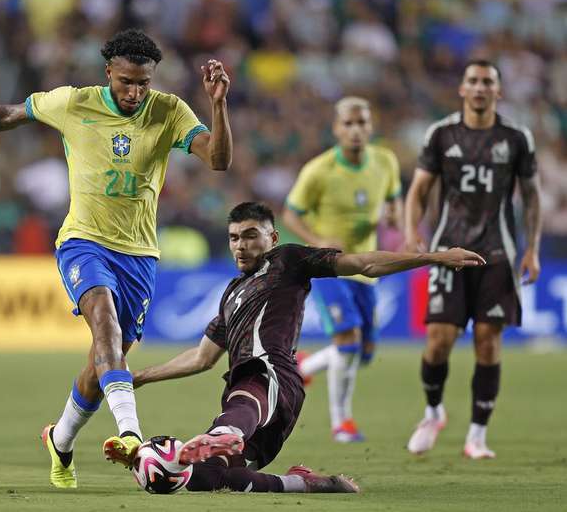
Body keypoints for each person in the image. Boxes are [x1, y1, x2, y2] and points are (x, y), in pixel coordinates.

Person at [0, 28, 233, 487]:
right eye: (126, 82)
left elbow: (217, 160)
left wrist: (218, 104)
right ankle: (132, 436)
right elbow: (7, 115)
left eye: (143, 83)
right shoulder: (74, 103)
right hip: (83, 241)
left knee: (102, 363)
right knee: (105, 324)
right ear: (108, 72)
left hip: (138, 255)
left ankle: (61, 439)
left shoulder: (170, 111)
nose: (135, 92)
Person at [132, 202, 484, 493]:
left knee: (246, 390)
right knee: (210, 479)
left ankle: (225, 435)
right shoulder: (230, 295)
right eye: (234, 237)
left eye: (251, 236)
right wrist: (141, 377)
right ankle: (307, 483)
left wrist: (434, 257)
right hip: (274, 400)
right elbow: (202, 357)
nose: (241, 245)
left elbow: (365, 264)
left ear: (273, 237)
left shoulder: (287, 260)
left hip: (267, 376)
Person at [404, 59, 542, 459]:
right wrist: (414, 232)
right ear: (462, 89)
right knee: (438, 341)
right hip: (449, 252)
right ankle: (433, 413)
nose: (480, 88)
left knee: (488, 341)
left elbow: (531, 197)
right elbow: (419, 189)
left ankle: (478, 435)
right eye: (473, 81)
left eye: (488, 82)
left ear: (498, 91)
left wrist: (531, 248)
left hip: (498, 254)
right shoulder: (442, 134)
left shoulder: (516, 137)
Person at [281, 97, 402, 442]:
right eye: (348, 124)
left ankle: (304, 367)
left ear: (370, 126)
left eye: (361, 123)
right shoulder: (318, 170)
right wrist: (317, 241)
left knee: (363, 352)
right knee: (347, 339)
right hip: (330, 268)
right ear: (336, 129)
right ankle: (342, 423)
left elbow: (394, 197)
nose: (355, 130)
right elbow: (291, 213)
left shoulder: (385, 161)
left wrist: (396, 214)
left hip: (366, 267)